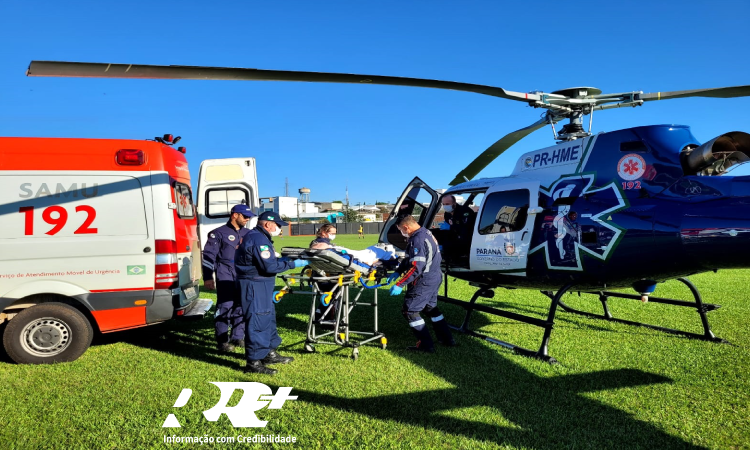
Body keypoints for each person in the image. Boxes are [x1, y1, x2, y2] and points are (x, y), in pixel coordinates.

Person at [235, 211, 307, 375]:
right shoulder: (258, 239)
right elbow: (269, 267)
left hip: (262, 284)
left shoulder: (261, 237)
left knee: (267, 317)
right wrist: (293, 264)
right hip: (254, 285)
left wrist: (284, 260)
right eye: (278, 225)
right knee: (257, 320)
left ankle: (268, 352)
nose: (279, 228)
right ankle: (253, 362)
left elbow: (269, 261)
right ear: (267, 224)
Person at [389, 215, 455, 352]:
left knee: (410, 310)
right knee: (430, 308)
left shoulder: (416, 239)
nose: (402, 232)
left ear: (406, 227)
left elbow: (416, 267)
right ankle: (447, 338)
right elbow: (410, 259)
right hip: (435, 276)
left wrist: (400, 284)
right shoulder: (426, 233)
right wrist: (399, 271)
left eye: (401, 229)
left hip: (424, 279)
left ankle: (426, 345)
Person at [202, 204, 255, 352]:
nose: (247, 219)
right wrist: (208, 277)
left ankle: (238, 336)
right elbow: (208, 257)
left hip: (244, 274)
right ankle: (222, 340)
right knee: (225, 306)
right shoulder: (218, 233)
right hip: (225, 272)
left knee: (241, 305)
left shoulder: (249, 233)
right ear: (234, 215)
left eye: (249, 216)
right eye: (245, 216)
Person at [309, 224, 338, 325]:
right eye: (332, 233)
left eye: (335, 233)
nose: (334, 235)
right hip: (324, 275)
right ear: (324, 232)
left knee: (327, 296)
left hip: (322, 274)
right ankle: (327, 320)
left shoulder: (321, 241)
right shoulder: (320, 242)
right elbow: (316, 247)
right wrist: (331, 247)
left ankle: (319, 314)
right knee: (332, 296)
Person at [439, 195, 476, 261]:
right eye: (443, 204)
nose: (445, 206)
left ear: (454, 203)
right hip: (455, 237)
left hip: (468, 240)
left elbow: (467, 229)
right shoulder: (447, 214)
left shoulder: (465, 211)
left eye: (447, 204)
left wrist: (451, 227)